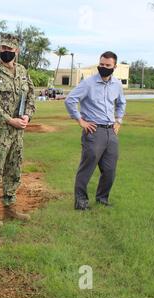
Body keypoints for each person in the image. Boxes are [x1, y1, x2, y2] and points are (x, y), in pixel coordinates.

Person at [0, 34, 36, 227]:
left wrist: (27, 116)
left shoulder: (22, 71)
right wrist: (9, 120)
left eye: (10, 49)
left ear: (17, 51)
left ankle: (9, 208)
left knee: (14, 168)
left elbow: (30, 96)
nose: (6, 52)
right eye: (3, 48)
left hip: (17, 131)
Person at [64, 51, 126, 211]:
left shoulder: (117, 84)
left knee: (110, 170)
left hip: (111, 132)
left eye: (107, 65)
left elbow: (121, 103)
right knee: (87, 168)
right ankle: (81, 203)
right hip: (93, 132)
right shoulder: (88, 83)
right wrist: (80, 120)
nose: (103, 67)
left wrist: (118, 120)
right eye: (101, 64)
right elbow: (70, 99)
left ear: (114, 67)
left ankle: (102, 199)